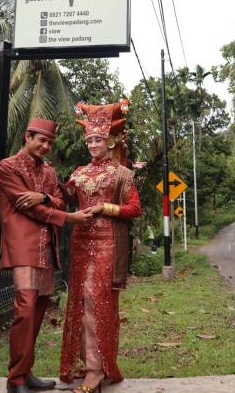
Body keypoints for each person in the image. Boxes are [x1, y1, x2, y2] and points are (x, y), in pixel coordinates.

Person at [0, 117, 93, 393]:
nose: (46, 146)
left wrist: (44, 197)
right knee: (25, 309)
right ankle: (15, 380)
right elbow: (25, 207)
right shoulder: (8, 167)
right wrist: (68, 217)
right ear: (27, 137)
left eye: (50, 142)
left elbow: (57, 198)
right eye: (41, 140)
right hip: (24, 245)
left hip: (47, 247)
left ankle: (25, 373)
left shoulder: (50, 173)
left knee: (38, 310)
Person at [60, 101, 142, 393]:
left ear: (110, 141)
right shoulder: (79, 172)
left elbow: (134, 209)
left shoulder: (121, 174)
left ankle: (97, 368)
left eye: (97, 140)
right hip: (80, 243)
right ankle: (87, 363)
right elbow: (65, 199)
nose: (92, 144)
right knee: (81, 302)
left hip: (107, 243)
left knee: (99, 302)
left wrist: (104, 208)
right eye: (89, 140)